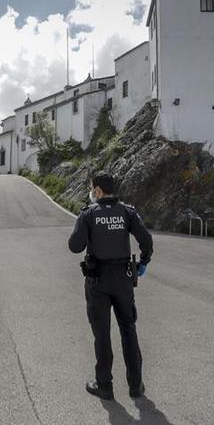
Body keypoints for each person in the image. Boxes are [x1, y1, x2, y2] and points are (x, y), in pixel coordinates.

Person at [68, 172, 154, 401]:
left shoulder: (89, 214)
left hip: (98, 280)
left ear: (97, 191)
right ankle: (136, 385)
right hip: (124, 278)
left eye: (92, 189)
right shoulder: (128, 211)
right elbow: (146, 240)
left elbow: (75, 246)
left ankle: (104, 385)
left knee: (102, 333)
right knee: (128, 328)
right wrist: (144, 262)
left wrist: (86, 226)